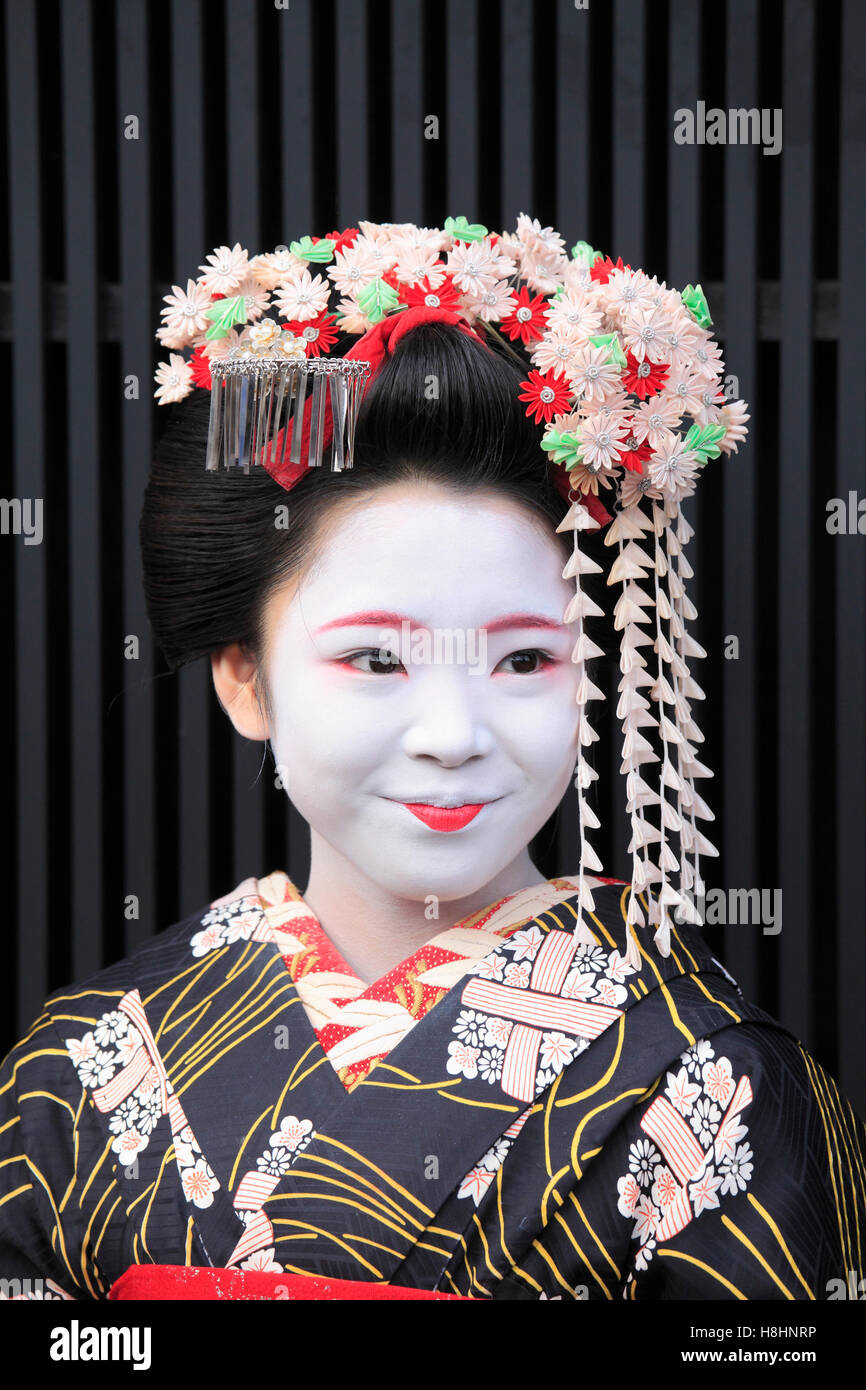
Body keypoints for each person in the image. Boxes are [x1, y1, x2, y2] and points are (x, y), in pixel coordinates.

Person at [0, 218, 862, 1302]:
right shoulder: (81, 1063)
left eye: (523, 659)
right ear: (243, 677)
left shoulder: (710, 1078)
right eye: (374, 657)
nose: (453, 732)